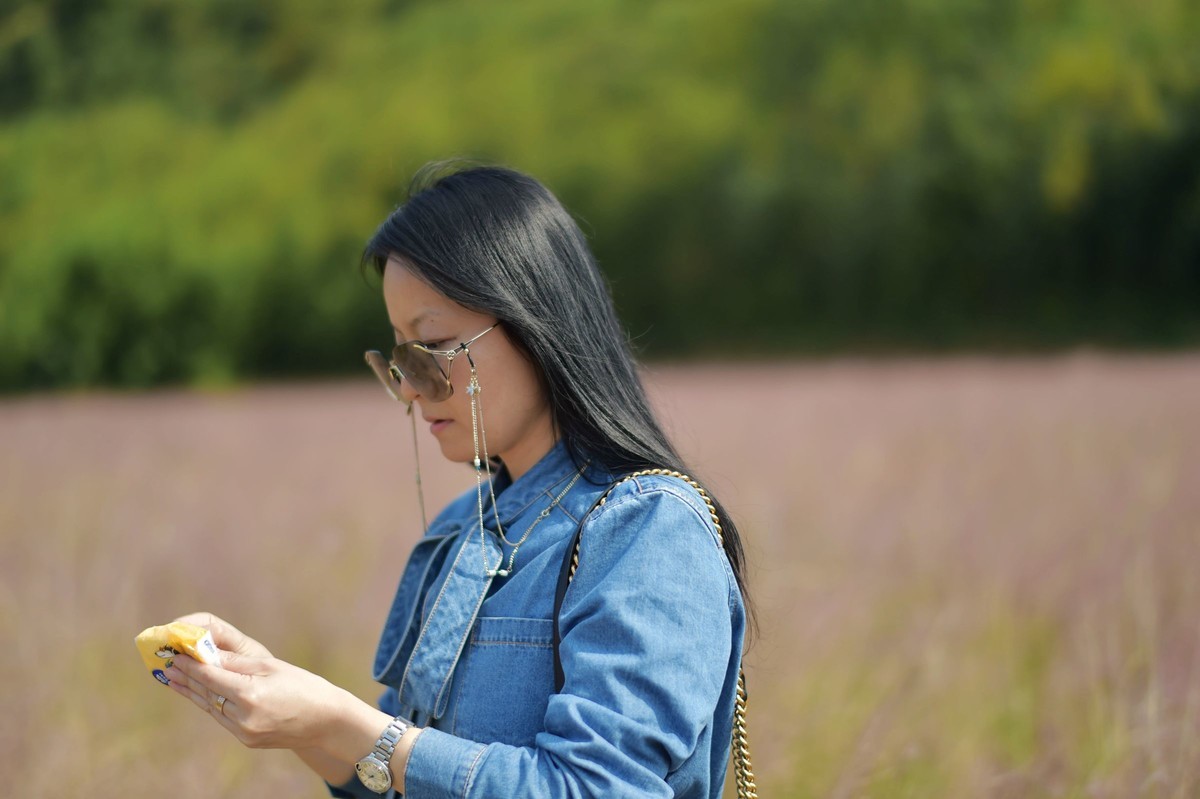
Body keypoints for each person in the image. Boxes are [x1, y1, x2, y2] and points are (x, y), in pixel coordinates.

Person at [163, 163, 751, 798]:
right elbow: (391, 780)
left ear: (535, 324)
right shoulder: (460, 531)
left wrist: (350, 725)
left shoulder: (647, 529)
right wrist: (296, 712)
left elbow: (597, 788)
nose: (411, 390)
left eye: (431, 348)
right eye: (397, 358)